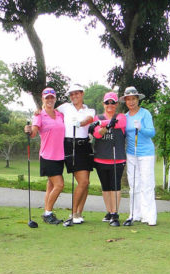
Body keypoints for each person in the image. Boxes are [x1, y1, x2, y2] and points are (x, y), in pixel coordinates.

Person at [24, 87, 65, 224]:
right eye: (47, 98)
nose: (50, 100)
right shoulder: (39, 115)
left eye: (52, 97)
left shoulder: (60, 115)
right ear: (43, 99)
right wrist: (29, 131)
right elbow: (34, 132)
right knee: (59, 185)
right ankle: (48, 213)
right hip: (47, 155)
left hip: (60, 156)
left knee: (51, 185)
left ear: (55, 99)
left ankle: (47, 212)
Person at [56, 84, 95, 226]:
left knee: (86, 183)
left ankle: (79, 212)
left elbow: (90, 119)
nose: (74, 96)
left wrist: (81, 122)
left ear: (82, 94)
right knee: (83, 181)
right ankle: (73, 213)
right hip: (70, 145)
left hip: (84, 145)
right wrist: (37, 112)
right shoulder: (65, 107)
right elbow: (50, 111)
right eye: (71, 94)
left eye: (76, 94)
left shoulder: (89, 109)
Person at [119, 86, 157, 226]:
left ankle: (149, 216)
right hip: (131, 153)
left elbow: (152, 133)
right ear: (126, 101)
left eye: (133, 99)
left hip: (146, 153)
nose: (131, 102)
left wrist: (141, 128)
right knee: (134, 184)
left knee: (147, 184)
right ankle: (135, 213)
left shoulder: (145, 113)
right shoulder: (125, 117)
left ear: (137, 100)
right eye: (128, 99)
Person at [90, 92, 126, 227]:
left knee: (115, 187)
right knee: (105, 188)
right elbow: (97, 134)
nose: (110, 105)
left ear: (116, 104)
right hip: (101, 158)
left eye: (112, 102)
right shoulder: (97, 117)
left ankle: (115, 213)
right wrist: (106, 125)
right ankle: (109, 212)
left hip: (117, 158)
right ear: (103, 104)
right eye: (107, 103)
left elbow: (119, 123)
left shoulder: (121, 116)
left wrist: (101, 124)